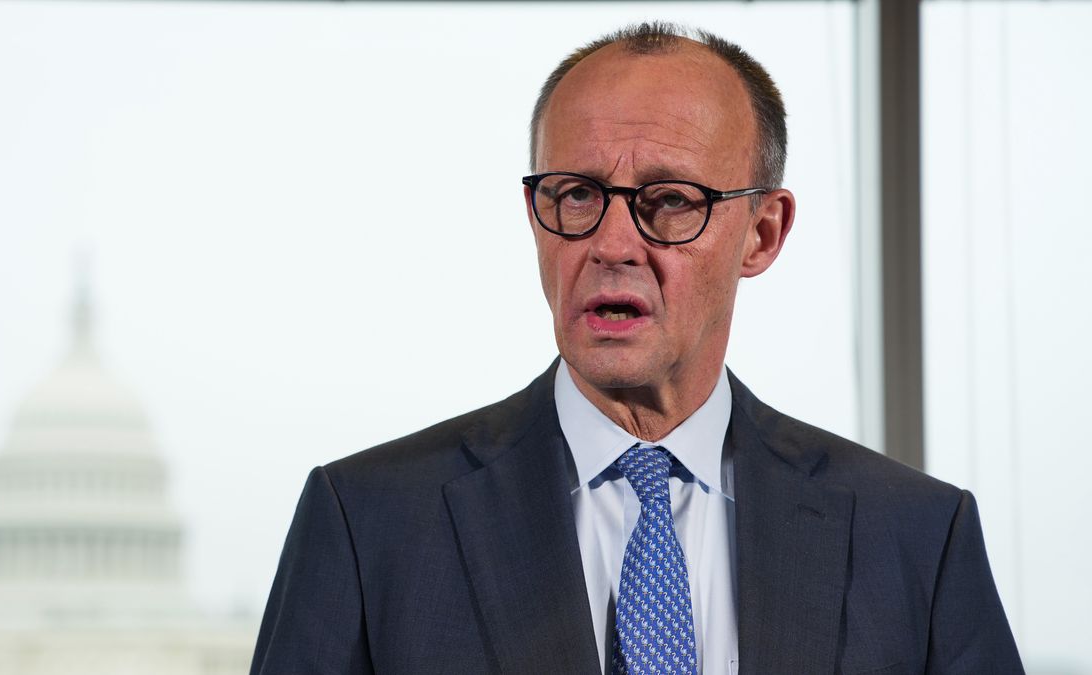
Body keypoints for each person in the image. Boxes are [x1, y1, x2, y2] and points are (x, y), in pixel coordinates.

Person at [250, 22, 1023, 675]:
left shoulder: (920, 537)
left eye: (670, 201)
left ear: (763, 233)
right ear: (534, 212)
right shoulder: (366, 522)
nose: (612, 242)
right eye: (578, 193)